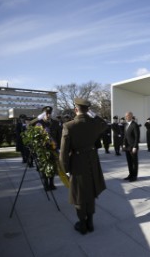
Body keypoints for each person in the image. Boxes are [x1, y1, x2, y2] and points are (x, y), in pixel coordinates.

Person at [59, 98, 107, 235]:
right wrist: (93, 114)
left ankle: (83, 224)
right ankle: (90, 222)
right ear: (88, 110)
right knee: (90, 192)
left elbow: (63, 153)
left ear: (76, 109)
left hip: (77, 162)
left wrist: (66, 169)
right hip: (92, 160)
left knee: (79, 194)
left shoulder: (69, 126)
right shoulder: (94, 123)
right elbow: (104, 124)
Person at [32, 106, 62, 191]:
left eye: (49, 113)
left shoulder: (55, 123)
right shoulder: (39, 123)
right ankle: (45, 184)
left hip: (53, 148)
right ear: (43, 114)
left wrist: (59, 147)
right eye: (46, 113)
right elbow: (29, 126)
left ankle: (51, 183)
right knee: (44, 166)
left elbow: (59, 136)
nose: (48, 115)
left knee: (53, 166)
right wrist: (38, 118)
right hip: (43, 149)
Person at [122, 111, 140, 182]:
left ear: (131, 116)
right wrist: (123, 144)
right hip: (127, 146)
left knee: (134, 162)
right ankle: (130, 174)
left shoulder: (134, 125)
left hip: (133, 147)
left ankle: (134, 176)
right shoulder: (126, 125)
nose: (126, 117)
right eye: (125, 116)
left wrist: (135, 146)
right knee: (129, 161)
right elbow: (125, 136)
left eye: (127, 116)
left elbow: (137, 136)